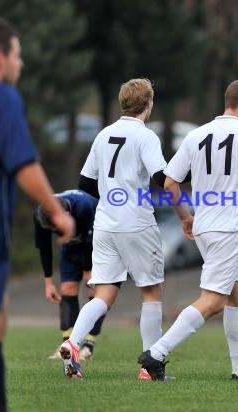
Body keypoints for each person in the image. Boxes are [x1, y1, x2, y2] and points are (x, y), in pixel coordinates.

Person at [0, 18, 75, 411]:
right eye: (17, 54)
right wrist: (58, 212)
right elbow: (24, 165)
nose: (21, 63)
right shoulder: (1, 97)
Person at [138, 79, 238, 381]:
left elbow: (170, 182)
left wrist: (185, 218)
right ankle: (156, 353)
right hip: (227, 229)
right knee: (213, 300)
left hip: (204, 226)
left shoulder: (196, 135)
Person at [58, 78, 170, 380]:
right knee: (151, 292)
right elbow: (162, 177)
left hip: (105, 224)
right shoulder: (145, 136)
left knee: (103, 294)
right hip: (136, 222)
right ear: (148, 103)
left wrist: (112, 194)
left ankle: (72, 343)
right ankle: (151, 367)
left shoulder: (104, 134)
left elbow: (84, 183)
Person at [34, 189, 106, 360]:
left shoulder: (83, 207)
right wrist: (48, 281)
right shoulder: (40, 214)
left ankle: (88, 346)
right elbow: (44, 248)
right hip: (70, 248)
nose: (57, 232)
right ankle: (68, 346)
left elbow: (91, 240)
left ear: (66, 214)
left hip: (96, 245)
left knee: (95, 292)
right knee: (67, 290)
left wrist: (89, 270)